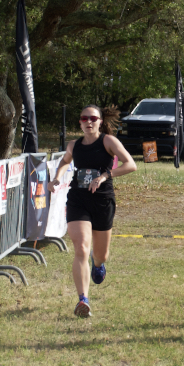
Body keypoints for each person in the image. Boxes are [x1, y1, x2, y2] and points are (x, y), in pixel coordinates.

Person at [49, 105, 137, 318]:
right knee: (80, 247)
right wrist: (57, 178)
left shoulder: (108, 141)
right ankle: (83, 300)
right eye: (84, 118)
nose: (88, 122)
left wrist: (105, 175)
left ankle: (98, 265)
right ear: (79, 122)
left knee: (101, 254)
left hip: (102, 201)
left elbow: (131, 165)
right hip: (78, 199)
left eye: (93, 118)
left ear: (99, 121)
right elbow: (64, 161)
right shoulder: (74, 145)